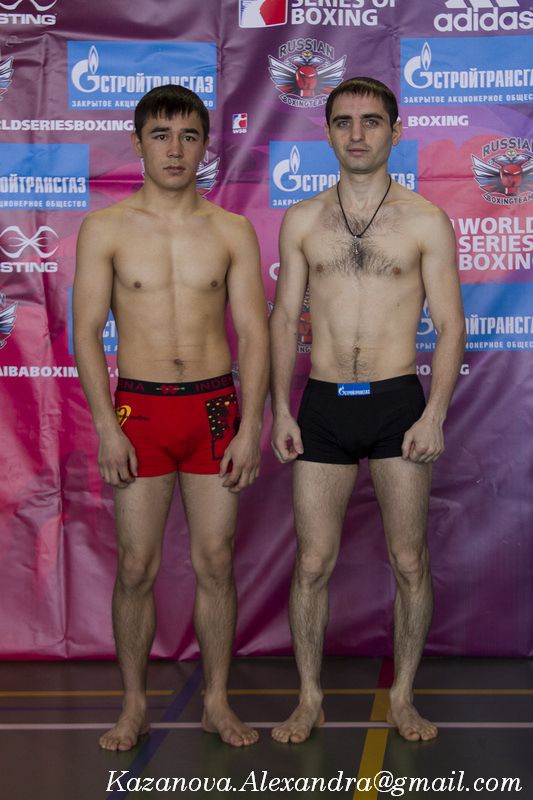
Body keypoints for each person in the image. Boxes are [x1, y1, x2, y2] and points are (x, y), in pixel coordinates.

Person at [269, 77, 465, 743]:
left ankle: (403, 696)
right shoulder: (301, 219)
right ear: (326, 132)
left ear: (395, 131)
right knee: (312, 563)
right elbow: (281, 320)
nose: (357, 134)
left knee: (408, 561)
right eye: (344, 122)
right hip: (323, 404)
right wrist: (280, 409)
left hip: (395, 403)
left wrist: (434, 415)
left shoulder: (424, 219)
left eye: (371, 121)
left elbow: (451, 325)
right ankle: (308, 699)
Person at [73, 85, 269, 751]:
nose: (175, 149)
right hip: (140, 410)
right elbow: (85, 332)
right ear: (138, 142)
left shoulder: (231, 230)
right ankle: (133, 706)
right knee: (136, 565)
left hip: (214, 408)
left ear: (205, 145)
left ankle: (216, 701)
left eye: (188, 136)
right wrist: (107, 427)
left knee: (215, 560)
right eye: (161, 135)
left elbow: (254, 333)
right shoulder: (106, 228)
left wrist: (250, 426)